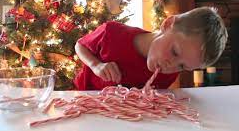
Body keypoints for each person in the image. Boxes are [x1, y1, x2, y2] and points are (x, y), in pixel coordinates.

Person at [74, 7, 228, 90]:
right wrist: (96, 65)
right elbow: (80, 45)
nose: (171, 66)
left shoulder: (167, 75)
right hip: (86, 97)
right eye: (174, 52)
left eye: (182, 66)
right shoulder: (112, 32)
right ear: (167, 25)